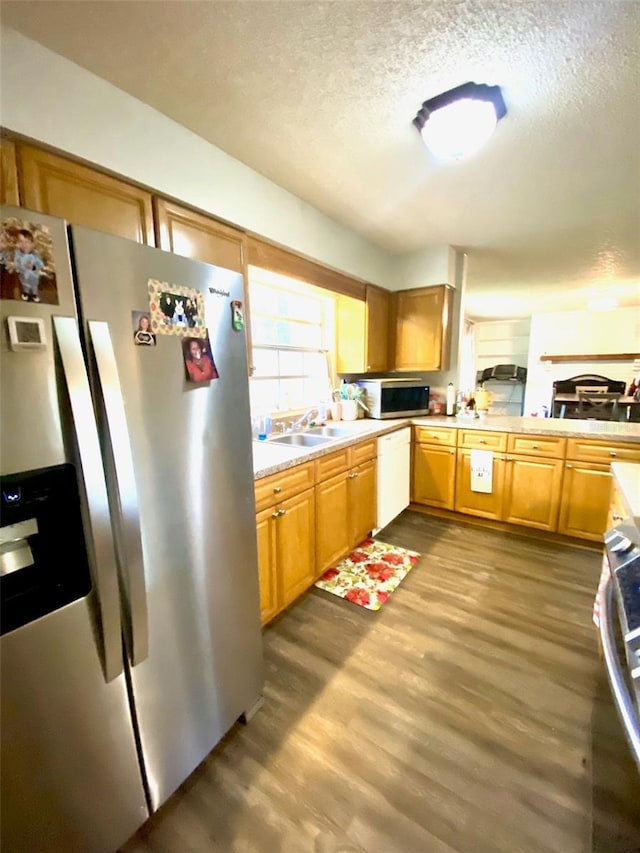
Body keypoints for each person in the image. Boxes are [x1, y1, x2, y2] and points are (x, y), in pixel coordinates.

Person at [14, 229, 44, 302]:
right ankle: (26, 293)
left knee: (34, 286)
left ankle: (35, 294)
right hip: (23, 275)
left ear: (32, 244)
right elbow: (16, 262)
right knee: (25, 285)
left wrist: (34, 267)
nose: (24, 244)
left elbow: (41, 264)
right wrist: (18, 268)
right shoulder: (18, 253)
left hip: (34, 276)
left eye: (27, 242)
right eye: (21, 241)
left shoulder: (35, 255)